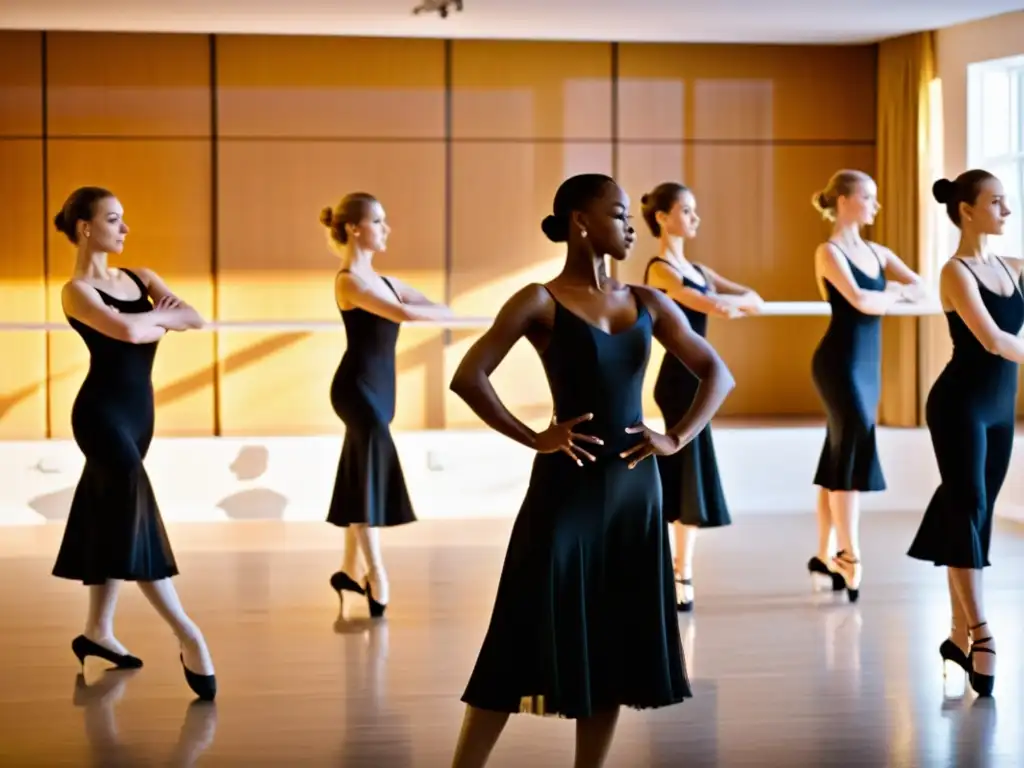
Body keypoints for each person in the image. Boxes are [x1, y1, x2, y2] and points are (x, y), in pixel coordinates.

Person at [448, 174, 735, 768]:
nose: (631, 226)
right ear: (581, 221)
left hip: (637, 492)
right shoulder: (537, 300)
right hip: (565, 490)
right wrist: (534, 437)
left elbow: (717, 373)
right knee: (516, 634)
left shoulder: (649, 301)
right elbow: (469, 377)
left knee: (613, 639)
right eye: (620, 214)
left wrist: (676, 436)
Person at [52, 186, 216, 701]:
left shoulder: (141, 277)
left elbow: (194, 318)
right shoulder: (77, 290)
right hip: (100, 416)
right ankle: (188, 633)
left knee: (111, 517)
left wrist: (150, 322)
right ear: (86, 226)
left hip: (139, 418)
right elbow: (125, 331)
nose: (125, 230)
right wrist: (156, 319)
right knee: (133, 513)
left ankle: (97, 632)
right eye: (114, 220)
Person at [908, 170, 1019, 698]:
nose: (1008, 211)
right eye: (997, 202)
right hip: (959, 407)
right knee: (969, 504)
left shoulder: (1012, 267)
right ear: (967, 210)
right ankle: (982, 633)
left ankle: (956, 635)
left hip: (1000, 410)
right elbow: (994, 339)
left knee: (973, 514)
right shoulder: (954, 272)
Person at [321, 193, 454, 617]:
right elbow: (407, 314)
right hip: (356, 390)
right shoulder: (349, 282)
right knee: (367, 479)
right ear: (354, 228)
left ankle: (346, 570)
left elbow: (438, 308)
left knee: (359, 476)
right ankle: (376, 574)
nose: (387, 229)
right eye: (379, 221)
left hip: (382, 391)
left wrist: (425, 311)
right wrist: (421, 311)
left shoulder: (388, 282)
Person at [641, 181, 763, 612]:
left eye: (695, 211)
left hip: (700, 381)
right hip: (677, 381)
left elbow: (751, 298)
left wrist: (733, 302)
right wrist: (725, 304)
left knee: (688, 474)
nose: (695, 219)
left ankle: (679, 568)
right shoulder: (659, 269)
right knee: (684, 472)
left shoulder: (702, 270)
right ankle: (678, 571)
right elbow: (704, 303)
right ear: (662, 217)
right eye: (687, 211)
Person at [808, 169, 927, 601]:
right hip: (837, 363)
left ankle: (824, 554)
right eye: (868, 197)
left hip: (868, 364)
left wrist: (891, 293)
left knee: (839, 456)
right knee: (852, 451)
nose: (875, 205)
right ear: (843, 201)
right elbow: (860, 301)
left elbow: (919, 286)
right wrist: (893, 296)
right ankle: (850, 554)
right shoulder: (829, 251)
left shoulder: (878, 252)